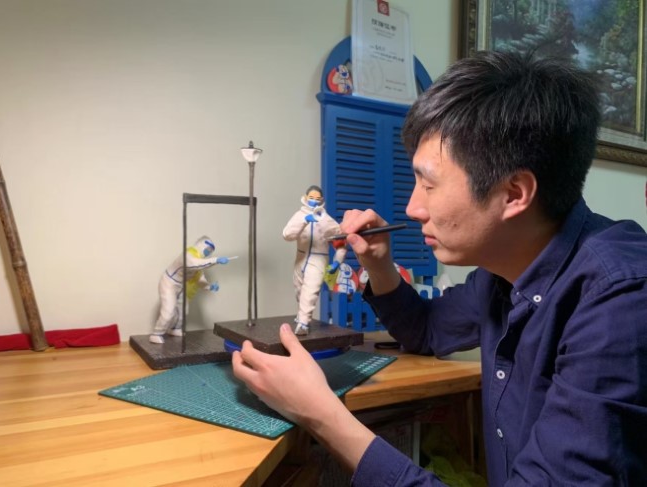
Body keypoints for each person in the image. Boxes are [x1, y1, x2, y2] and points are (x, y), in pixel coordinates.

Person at [232, 50, 647, 485]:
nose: (412, 208)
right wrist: (379, 265)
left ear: (514, 193)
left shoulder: (620, 302)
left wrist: (321, 414)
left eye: (428, 184)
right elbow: (427, 331)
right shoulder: (504, 270)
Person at [282, 185, 347, 335]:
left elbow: (341, 242)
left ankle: (304, 323)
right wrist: (304, 221)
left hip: (319, 258)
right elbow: (287, 235)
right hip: (301, 257)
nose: (314, 201)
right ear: (305, 198)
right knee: (299, 290)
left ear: (322, 200)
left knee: (310, 290)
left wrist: (337, 262)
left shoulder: (327, 220)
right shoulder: (299, 215)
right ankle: (301, 315)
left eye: (317, 199)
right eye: (311, 198)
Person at [150, 235, 231, 344]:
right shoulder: (188, 255)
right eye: (208, 248)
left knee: (183, 309)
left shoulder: (198, 262)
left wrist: (210, 286)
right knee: (168, 311)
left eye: (211, 250)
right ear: (201, 245)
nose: (209, 252)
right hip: (168, 283)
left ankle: (175, 328)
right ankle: (156, 333)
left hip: (181, 285)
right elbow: (194, 264)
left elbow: (199, 279)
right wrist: (216, 260)